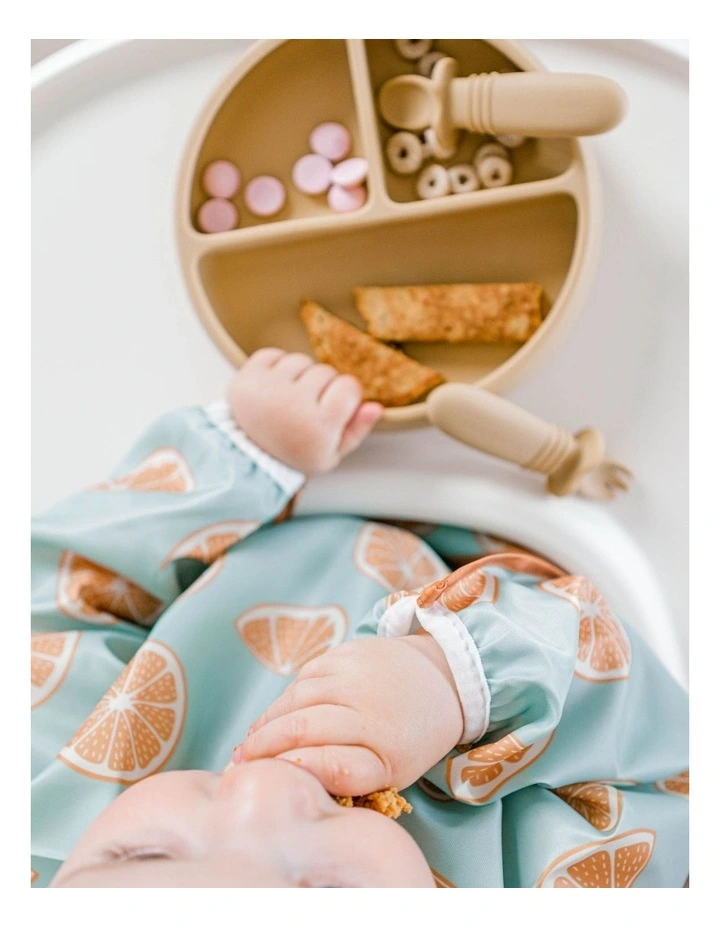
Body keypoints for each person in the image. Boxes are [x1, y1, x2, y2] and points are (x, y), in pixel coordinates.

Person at [31, 349, 688, 888]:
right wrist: (452, 682)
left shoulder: (36, 814)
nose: (263, 792)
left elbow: (66, 585)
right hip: (534, 536)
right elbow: (664, 764)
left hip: (277, 497)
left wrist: (245, 454)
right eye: (321, 891)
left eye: (145, 856)